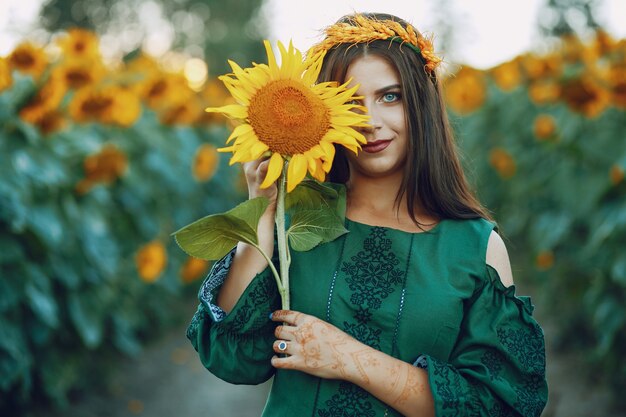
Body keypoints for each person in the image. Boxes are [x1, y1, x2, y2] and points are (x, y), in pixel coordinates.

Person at [187, 12, 548, 417]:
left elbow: (500, 404)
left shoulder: (475, 246)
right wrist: (263, 208)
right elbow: (232, 355)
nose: (372, 123)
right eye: (351, 103)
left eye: (390, 97)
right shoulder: (297, 223)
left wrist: (347, 357)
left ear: (422, 106)